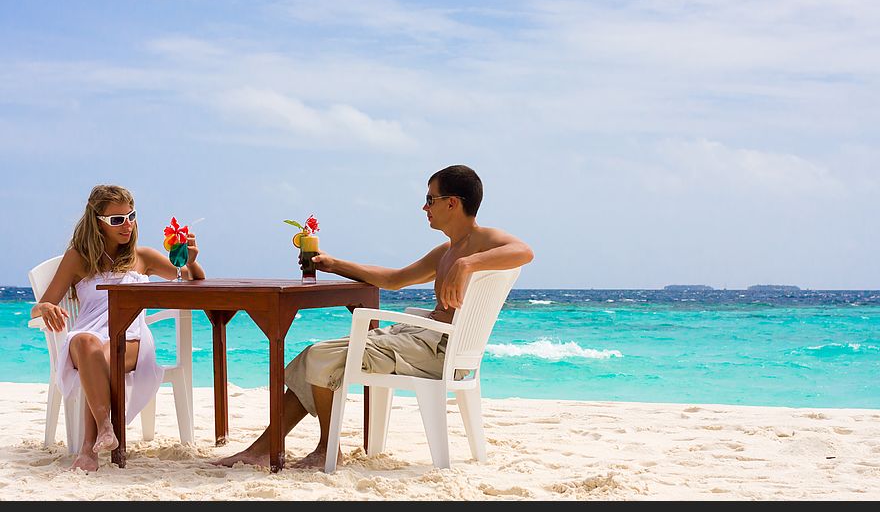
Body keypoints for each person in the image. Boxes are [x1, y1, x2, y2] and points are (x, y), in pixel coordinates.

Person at [216, 165, 533, 469]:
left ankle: (326, 448)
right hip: (419, 340)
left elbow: (524, 251)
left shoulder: (482, 241)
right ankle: (265, 448)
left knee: (320, 355)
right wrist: (335, 264)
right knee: (312, 356)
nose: (424, 208)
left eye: (429, 200)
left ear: (452, 203)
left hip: (435, 349)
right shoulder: (446, 250)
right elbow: (395, 279)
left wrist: (468, 264)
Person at [31, 185, 205, 472]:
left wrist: (191, 260)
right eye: (117, 219)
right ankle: (104, 428)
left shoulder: (143, 257)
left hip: (130, 337)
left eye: (131, 216)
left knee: (101, 357)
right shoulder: (78, 258)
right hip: (85, 336)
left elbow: (190, 278)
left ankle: (90, 447)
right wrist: (46, 308)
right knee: (87, 342)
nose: (127, 224)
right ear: (97, 221)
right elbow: (41, 304)